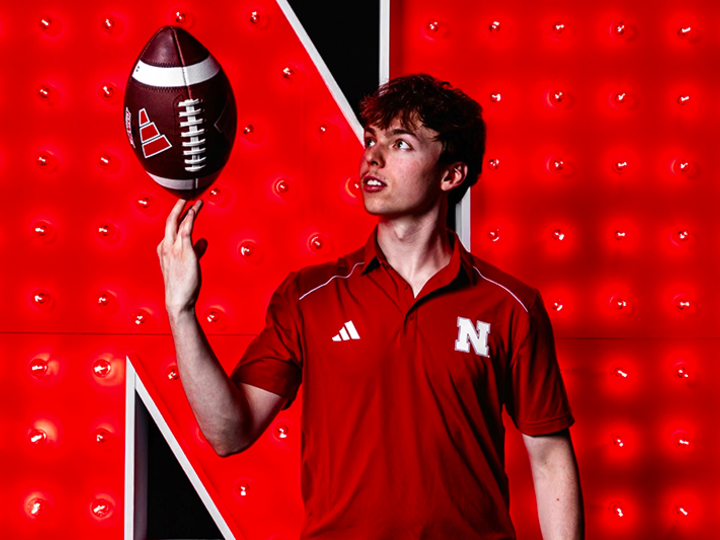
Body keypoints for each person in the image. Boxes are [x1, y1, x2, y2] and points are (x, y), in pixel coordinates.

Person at [158, 74, 584, 539]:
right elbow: (229, 433)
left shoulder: (511, 306)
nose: (371, 158)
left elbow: (548, 455)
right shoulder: (308, 296)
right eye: (370, 140)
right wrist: (182, 312)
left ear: (451, 174)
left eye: (400, 144)